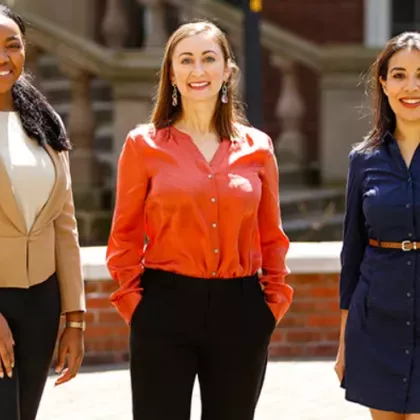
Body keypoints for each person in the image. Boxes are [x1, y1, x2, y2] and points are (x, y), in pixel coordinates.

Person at [106, 20, 293, 420]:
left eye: (209, 59)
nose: (198, 70)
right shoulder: (144, 146)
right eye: (186, 60)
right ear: (171, 73)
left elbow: (272, 236)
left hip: (241, 311)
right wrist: (136, 307)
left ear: (228, 71)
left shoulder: (258, 148)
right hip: (164, 308)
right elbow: (123, 238)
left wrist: (271, 306)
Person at [0, 6, 86, 420]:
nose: (3, 56)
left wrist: (75, 318)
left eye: (12, 45)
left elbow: (64, 225)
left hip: (40, 304)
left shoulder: (45, 121)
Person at [335, 32, 420, 420]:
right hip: (376, 320)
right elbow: (351, 253)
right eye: (399, 75)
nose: (411, 86)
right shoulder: (363, 159)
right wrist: (343, 343)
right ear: (383, 84)